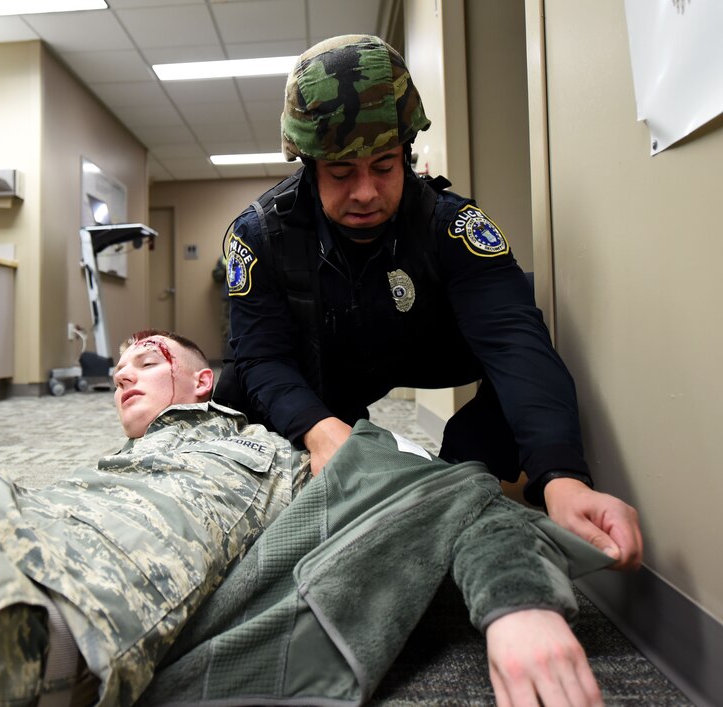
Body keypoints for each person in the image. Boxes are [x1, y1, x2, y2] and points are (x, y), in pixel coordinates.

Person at [0, 331, 612, 706]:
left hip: (0, 612)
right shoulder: (108, 462)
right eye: (120, 368)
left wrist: (518, 605)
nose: (123, 372)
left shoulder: (275, 450)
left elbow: (450, 498)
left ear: (204, 380)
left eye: (150, 357)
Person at [216, 34, 643, 571]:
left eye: (384, 166)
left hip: (420, 344)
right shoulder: (260, 235)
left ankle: (464, 472)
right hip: (320, 362)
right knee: (239, 396)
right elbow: (262, 356)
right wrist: (321, 432)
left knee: (530, 310)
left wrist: (562, 475)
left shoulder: (452, 224)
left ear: (407, 153)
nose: (365, 193)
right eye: (342, 174)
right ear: (309, 164)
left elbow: (515, 343)